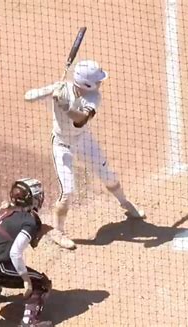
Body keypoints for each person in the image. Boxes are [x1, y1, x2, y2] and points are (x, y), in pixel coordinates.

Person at [25, 59, 145, 250]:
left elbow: (79, 121)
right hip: (62, 145)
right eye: (98, 81)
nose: (100, 83)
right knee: (68, 191)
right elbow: (28, 96)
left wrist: (65, 106)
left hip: (84, 140)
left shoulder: (94, 97)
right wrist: (49, 91)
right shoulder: (61, 89)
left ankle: (125, 203)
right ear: (86, 83)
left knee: (109, 176)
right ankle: (59, 232)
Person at [0, 178, 53, 327]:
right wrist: (26, 280)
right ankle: (29, 322)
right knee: (42, 283)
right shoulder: (29, 221)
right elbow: (15, 253)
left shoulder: (3, 211)